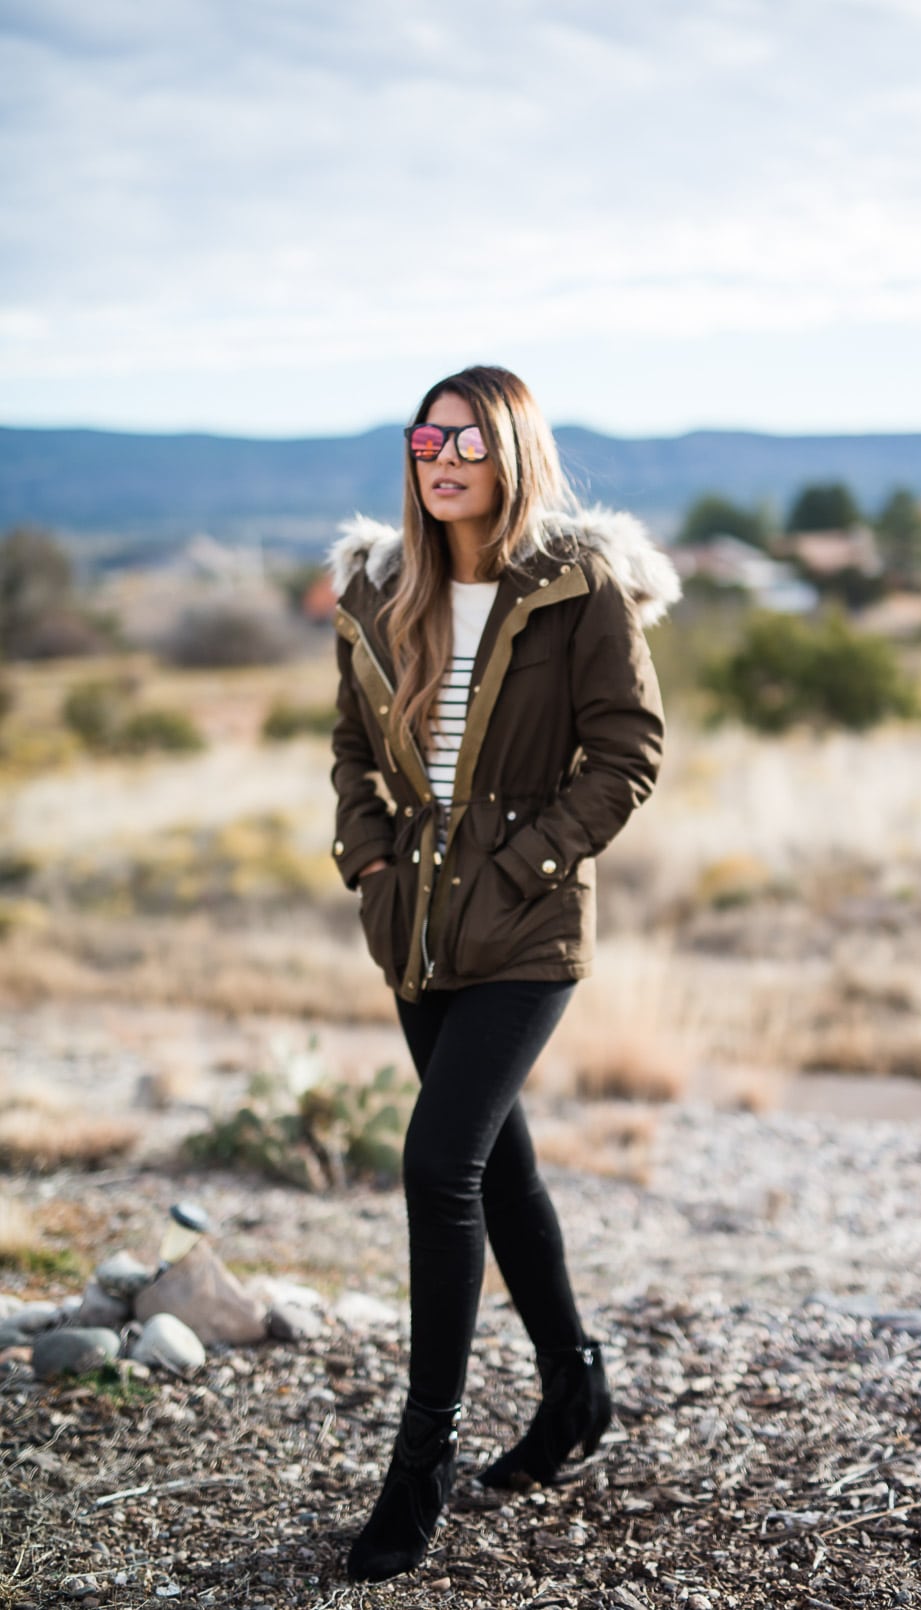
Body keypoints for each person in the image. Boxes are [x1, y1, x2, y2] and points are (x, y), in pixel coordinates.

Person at [328, 364, 679, 1582]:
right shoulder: (380, 589)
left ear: (512, 450)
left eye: (467, 437)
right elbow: (350, 755)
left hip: (525, 929)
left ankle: (418, 1458)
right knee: (502, 1167)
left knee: (438, 1164)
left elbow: (628, 747)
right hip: (417, 929)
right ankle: (575, 1385)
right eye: (426, 435)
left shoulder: (576, 587)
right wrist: (370, 866)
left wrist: (530, 861)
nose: (441, 455)